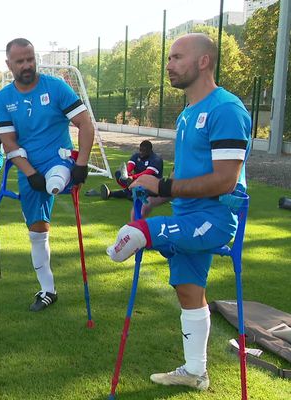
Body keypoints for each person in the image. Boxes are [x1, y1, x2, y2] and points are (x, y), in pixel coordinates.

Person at [106, 33, 251, 390]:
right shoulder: (188, 113)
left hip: (214, 220)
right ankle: (195, 372)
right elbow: (190, 175)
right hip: (187, 216)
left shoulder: (226, 110)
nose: (168, 65)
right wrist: (156, 197)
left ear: (203, 62)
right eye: (169, 58)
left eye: (176, 57)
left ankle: (128, 241)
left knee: (138, 233)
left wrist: (163, 188)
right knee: (188, 292)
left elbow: (225, 181)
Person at [0, 38, 95, 311]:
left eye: (30, 59)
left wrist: (82, 163)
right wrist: (29, 172)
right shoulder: (4, 98)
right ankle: (48, 290)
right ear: (9, 64)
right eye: (20, 61)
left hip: (58, 160)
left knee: (55, 180)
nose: (27, 65)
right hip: (28, 168)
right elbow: (9, 142)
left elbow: (85, 124)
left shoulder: (56, 87)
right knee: (37, 231)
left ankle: (57, 179)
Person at [97, 140, 163, 200]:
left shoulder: (156, 159)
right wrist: (126, 174)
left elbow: (147, 173)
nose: (141, 153)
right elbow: (130, 166)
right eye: (140, 150)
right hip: (137, 182)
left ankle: (114, 193)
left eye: (144, 151)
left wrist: (133, 177)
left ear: (150, 150)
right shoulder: (136, 156)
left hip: (152, 185)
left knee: (134, 190)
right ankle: (120, 192)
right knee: (119, 173)